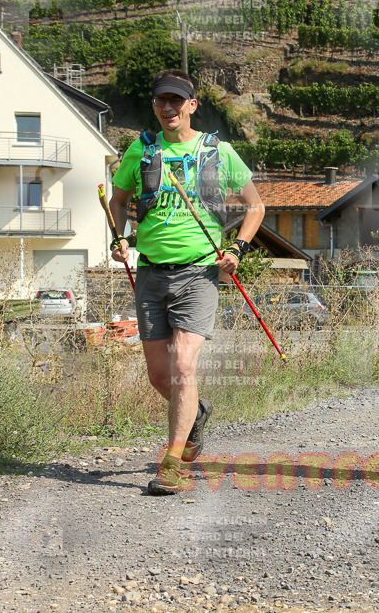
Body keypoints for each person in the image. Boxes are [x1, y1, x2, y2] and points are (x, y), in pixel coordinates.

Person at [109, 69, 264, 496]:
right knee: (160, 376)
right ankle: (196, 414)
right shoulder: (140, 150)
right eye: (162, 100)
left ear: (192, 105)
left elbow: (255, 206)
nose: (169, 107)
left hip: (199, 272)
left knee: (182, 367)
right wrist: (120, 238)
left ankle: (173, 462)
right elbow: (118, 200)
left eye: (177, 100)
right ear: (155, 105)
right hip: (151, 273)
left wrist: (237, 250)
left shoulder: (217, 151)